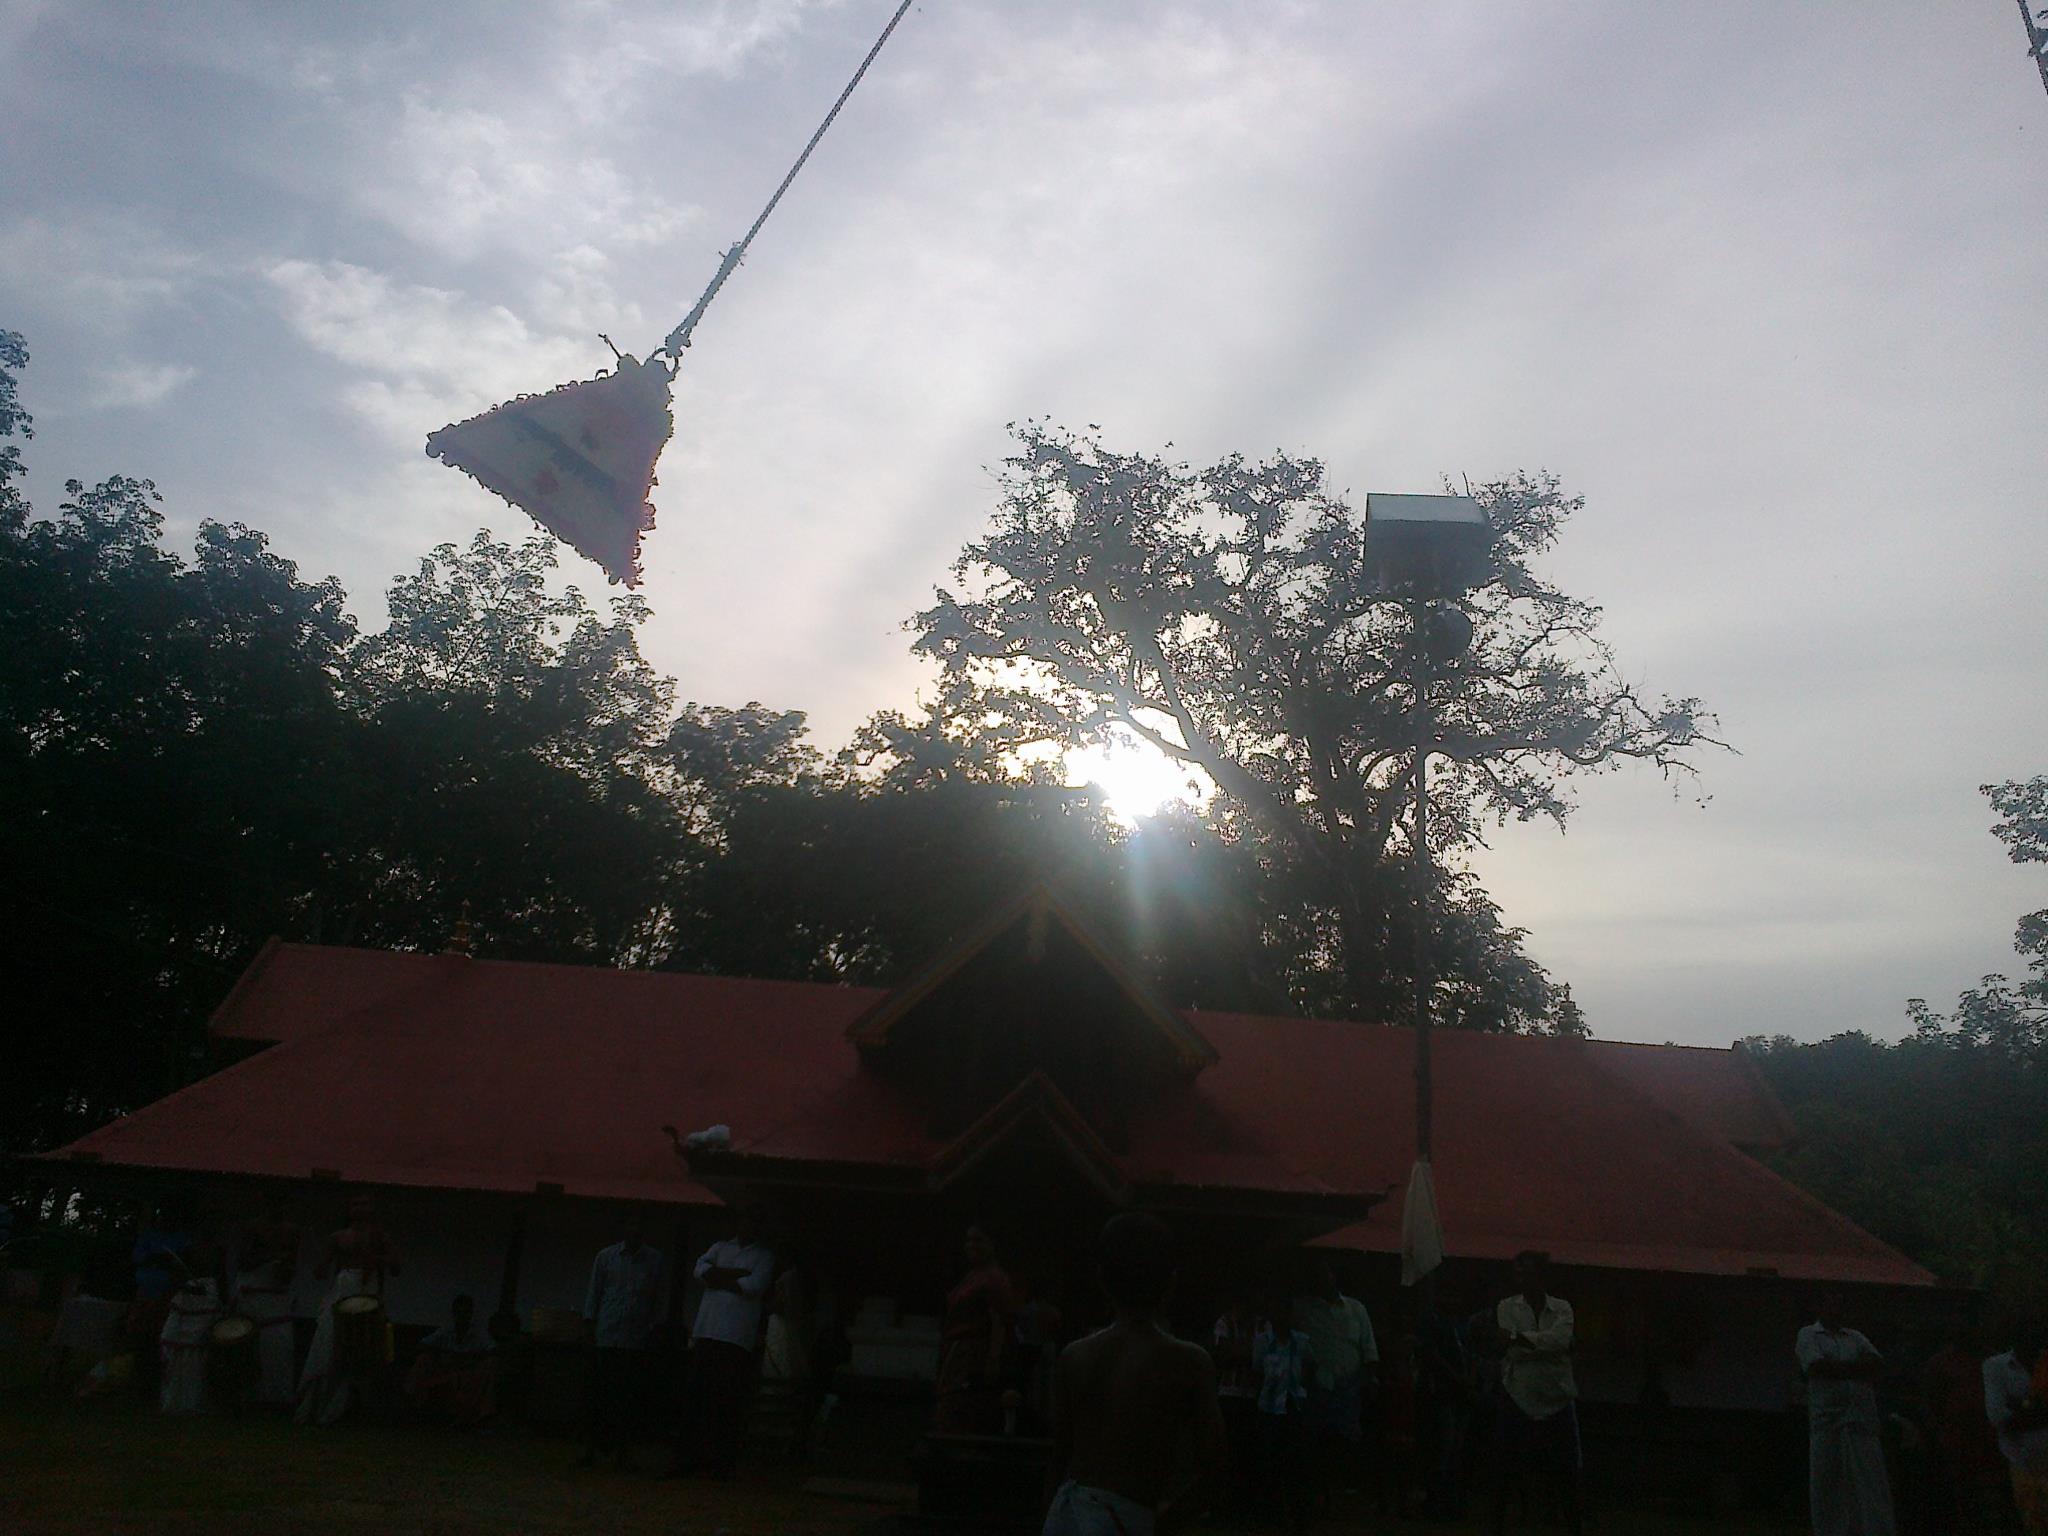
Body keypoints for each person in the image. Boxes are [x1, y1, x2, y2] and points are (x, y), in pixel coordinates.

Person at [1043, 1213, 1228, 1536]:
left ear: (1102, 1279)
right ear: (1170, 1281)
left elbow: (1059, 1456)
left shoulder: (1075, 1356)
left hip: (1067, 1513)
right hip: (1127, 1516)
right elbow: (1215, 1466)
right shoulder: (1188, 1361)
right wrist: (1171, 1517)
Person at [670, 1207, 774, 1478]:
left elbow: (753, 1286)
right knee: (698, 1398)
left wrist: (717, 1276)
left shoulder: (763, 1255)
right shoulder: (720, 1247)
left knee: (725, 1401)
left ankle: (718, 1462)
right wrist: (734, 1275)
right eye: (743, 1219)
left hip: (736, 1337)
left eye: (751, 1220)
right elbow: (700, 1271)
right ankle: (691, 1458)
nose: (746, 1225)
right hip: (708, 1332)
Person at [1492, 1250, 1581, 1536]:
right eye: (1518, 1272)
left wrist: (1519, 1340)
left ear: (1542, 1276)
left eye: (1527, 1272)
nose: (1521, 1278)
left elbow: (1559, 1341)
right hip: (1519, 1395)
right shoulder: (1506, 1307)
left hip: (1556, 1398)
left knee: (1568, 1471)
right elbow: (1553, 1344)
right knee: (1505, 1469)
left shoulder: (1562, 1308)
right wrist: (1543, 1347)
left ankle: (1572, 1526)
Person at [1795, 1289, 1895, 1536]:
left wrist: (1839, 1369)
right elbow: (1816, 1367)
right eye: (1831, 1305)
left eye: (1840, 1305)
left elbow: (1878, 1365)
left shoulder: (1855, 1337)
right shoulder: (1809, 1335)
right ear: (1817, 1308)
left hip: (1861, 1419)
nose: (1836, 1311)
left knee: (1870, 1480)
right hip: (1828, 1419)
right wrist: (1857, 1369)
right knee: (1827, 1481)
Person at [296, 1192, 400, 1426]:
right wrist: (320, 1267)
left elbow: (396, 1266)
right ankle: (315, 1407)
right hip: (341, 1295)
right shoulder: (337, 1237)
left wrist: (377, 1259)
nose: (360, 1208)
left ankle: (351, 1412)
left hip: (368, 1298)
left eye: (365, 1204)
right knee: (327, 1349)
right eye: (355, 1204)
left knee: (363, 1356)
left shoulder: (381, 1237)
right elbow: (321, 1270)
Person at [579, 1210, 666, 1469]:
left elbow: (657, 1300)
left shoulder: (655, 1261)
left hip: (634, 1339)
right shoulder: (605, 1258)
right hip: (607, 1336)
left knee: (626, 1399)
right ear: (623, 1228)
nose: (634, 1229)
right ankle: (593, 1451)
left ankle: (620, 1453)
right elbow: (593, 1294)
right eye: (631, 1223)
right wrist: (589, 1328)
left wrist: (653, 1331)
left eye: (639, 1224)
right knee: (600, 1397)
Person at [1293, 1260, 1378, 1503]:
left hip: (1349, 1390)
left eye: (1326, 1274)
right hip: (1315, 1390)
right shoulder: (1302, 1310)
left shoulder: (1356, 1309)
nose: (1322, 1280)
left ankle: (1340, 1496)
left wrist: (1359, 1384)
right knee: (1315, 1443)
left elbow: (1370, 1353)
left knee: (1345, 1444)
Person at [935, 1224, 1016, 1434]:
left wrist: (993, 1359)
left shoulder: (994, 1278)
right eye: (969, 1240)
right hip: (956, 1352)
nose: (972, 1245)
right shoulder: (972, 1275)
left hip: (974, 1356)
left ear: (992, 1244)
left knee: (962, 1409)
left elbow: (999, 1320)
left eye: (979, 1240)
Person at [1254, 1294, 1315, 1533]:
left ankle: (1293, 1518)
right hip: (1271, 1409)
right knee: (1273, 1466)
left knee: (1292, 1467)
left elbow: (1309, 1369)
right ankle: (1276, 1517)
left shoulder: (1301, 1341)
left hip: (1291, 1408)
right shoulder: (1263, 1341)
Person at [234, 1191, 301, 1405]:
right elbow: (243, 1261)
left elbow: (291, 1265)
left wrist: (284, 1267)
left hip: (276, 1294)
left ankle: (277, 1398)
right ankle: (248, 1396)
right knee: (248, 1344)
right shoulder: (253, 1228)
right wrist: (272, 1257)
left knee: (279, 1346)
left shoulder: (292, 1231)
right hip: (253, 1290)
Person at [1984, 1318, 2048, 1535]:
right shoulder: (1996, 1366)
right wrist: (2038, 1410)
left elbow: (2009, 1416)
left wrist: (2021, 1408)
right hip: (2021, 1460)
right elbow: (1998, 1417)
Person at [406, 1294, 497, 1425]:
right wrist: (443, 1354)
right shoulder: (445, 1331)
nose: (462, 1316)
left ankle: (476, 1416)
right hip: (446, 1370)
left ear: (471, 1314)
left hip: (469, 1373)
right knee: (423, 1359)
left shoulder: (479, 1334)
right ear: (454, 1314)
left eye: (466, 1313)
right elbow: (423, 1344)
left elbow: (493, 1349)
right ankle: (412, 1402)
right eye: (459, 1312)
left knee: (488, 1367)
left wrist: (470, 1357)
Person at [158, 1240, 224, 1414]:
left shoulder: (212, 1285)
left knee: (198, 1364)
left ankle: (194, 1402)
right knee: (181, 1363)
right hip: (187, 1311)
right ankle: (178, 1401)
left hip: (204, 1309)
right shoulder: (184, 1291)